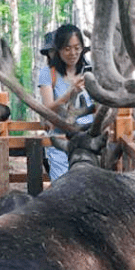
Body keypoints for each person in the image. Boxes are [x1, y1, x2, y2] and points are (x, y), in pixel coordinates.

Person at [38, 23, 94, 182]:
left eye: (77, 48)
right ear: (59, 50)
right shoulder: (48, 73)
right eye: (67, 49)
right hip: (61, 140)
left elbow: (101, 104)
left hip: (88, 140)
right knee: (63, 185)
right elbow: (46, 109)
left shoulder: (91, 70)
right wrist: (69, 94)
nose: (73, 53)